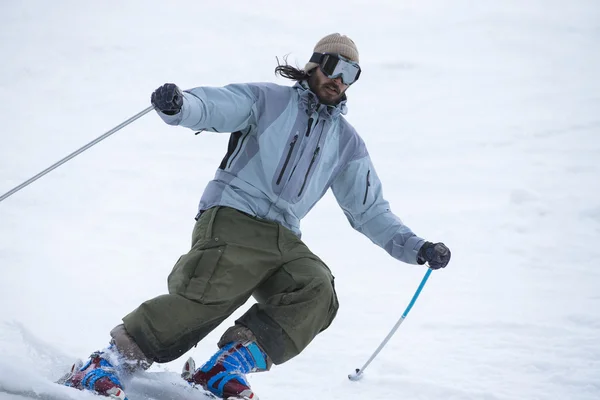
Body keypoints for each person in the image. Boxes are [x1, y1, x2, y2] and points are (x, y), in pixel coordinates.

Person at [60, 33, 451, 400]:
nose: (340, 80)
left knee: (315, 288)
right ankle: (109, 362)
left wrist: (417, 247)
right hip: (234, 215)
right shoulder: (268, 101)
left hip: (284, 235)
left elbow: (369, 210)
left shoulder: (347, 143)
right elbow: (215, 106)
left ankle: (227, 365)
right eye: (335, 67)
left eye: (352, 75)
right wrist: (180, 105)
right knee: (211, 291)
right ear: (315, 64)